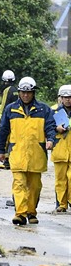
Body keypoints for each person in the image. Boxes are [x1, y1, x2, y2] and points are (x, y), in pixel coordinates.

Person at [0, 76, 56, 225]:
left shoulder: (44, 109)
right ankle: (20, 213)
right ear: (19, 93)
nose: (25, 95)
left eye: (28, 92)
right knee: (19, 183)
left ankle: (31, 212)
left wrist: (50, 140)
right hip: (17, 153)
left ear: (33, 93)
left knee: (35, 186)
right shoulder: (11, 109)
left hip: (37, 154)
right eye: (23, 92)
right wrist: (1, 150)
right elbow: (3, 131)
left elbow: (50, 127)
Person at [0, 69, 19, 169]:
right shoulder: (16, 90)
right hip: (15, 118)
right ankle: (11, 160)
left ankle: (7, 162)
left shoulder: (7, 90)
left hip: (7, 119)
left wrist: (0, 118)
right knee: (12, 139)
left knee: (5, 140)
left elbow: (4, 105)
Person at [51, 84, 71, 212]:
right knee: (60, 179)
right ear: (61, 98)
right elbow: (46, 127)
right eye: (66, 97)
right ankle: (62, 204)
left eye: (70, 97)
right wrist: (56, 128)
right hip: (59, 150)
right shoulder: (54, 111)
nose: (68, 99)